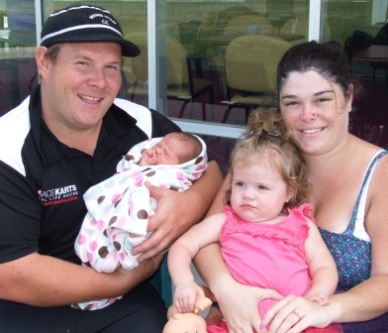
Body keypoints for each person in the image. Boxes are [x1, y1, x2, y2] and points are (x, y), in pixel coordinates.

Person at [0, 4, 222, 332]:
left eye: (111, 67)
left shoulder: (141, 126)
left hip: (123, 305)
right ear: (44, 63)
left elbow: (213, 171)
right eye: (83, 63)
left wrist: (187, 207)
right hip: (29, 306)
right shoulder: (9, 148)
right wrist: (119, 281)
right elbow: (11, 274)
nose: (99, 82)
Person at [194, 41, 388, 333]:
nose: (306, 115)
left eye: (322, 100)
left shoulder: (381, 175)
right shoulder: (260, 162)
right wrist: (226, 288)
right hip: (253, 319)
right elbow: (207, 238)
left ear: (347, 97)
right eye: (292, 103)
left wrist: (324, 309)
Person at [167, 108, 341, 333]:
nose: (248, 194)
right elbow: (183, 245)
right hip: (238, 323)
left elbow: (324, 266)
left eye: (261, 187)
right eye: (240, 184)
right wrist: (184, 283)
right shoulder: (225, 222)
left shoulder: (301, 225)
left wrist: (317, 294)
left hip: (294, 323)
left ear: (288, 191)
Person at [74, 132, 208, 310]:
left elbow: (174, 191)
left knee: (137, 229)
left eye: (166, 153)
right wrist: (143, 163)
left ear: (184, 166)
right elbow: (128, 174)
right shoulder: (150, 161)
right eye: (159, 146)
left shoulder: (176, 177)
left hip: (146, 217)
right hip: (123, 210)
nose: (158, 151)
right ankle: (99, 258)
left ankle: (119, 251)